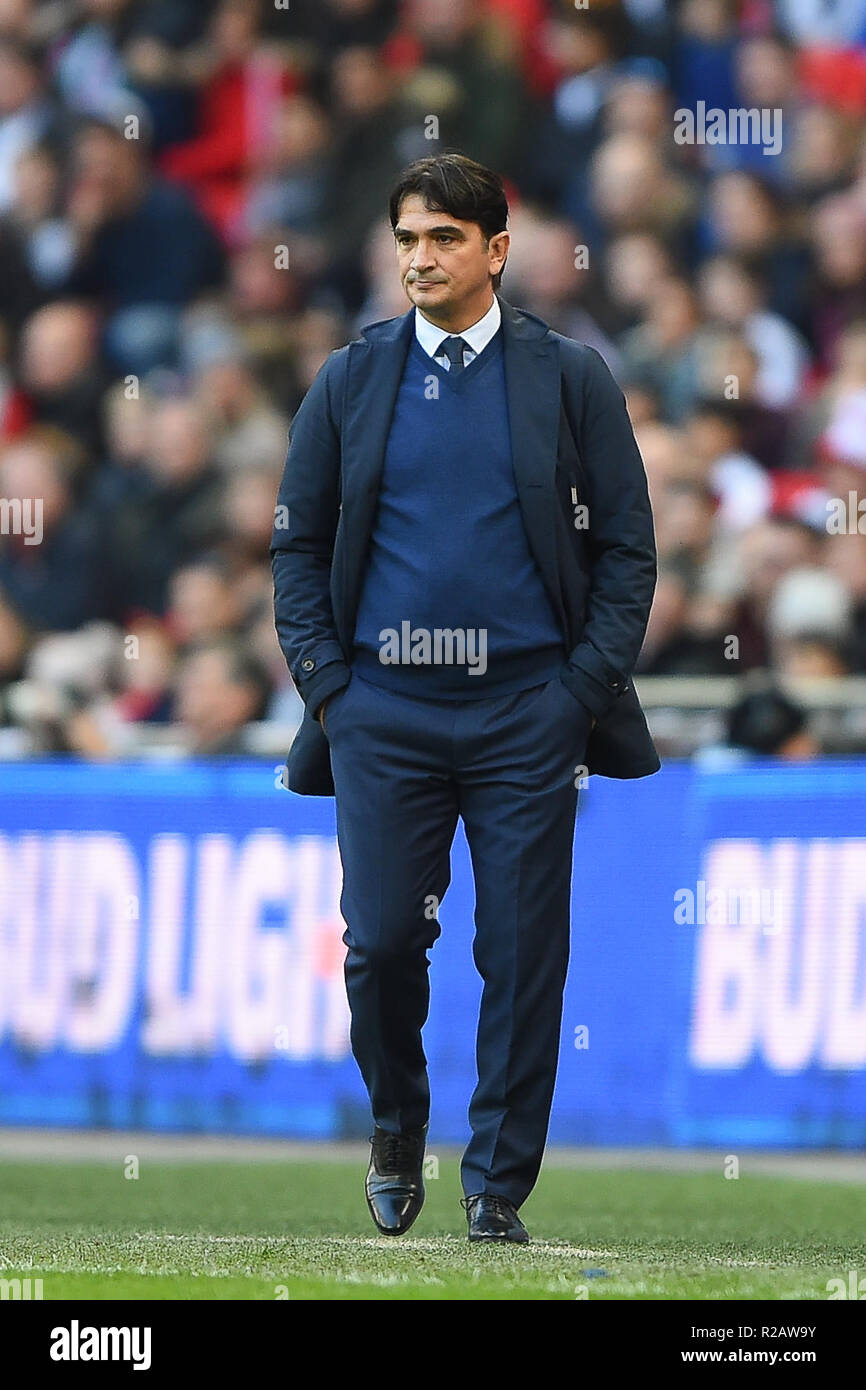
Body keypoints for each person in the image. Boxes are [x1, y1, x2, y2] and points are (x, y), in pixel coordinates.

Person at [270, 153, 659, 1244]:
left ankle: (495, 1183)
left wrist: (575, 690)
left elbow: (628, 549)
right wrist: (332, 690)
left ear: (497, 249)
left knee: (523, 951)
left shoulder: (569, 378)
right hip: (381, 710)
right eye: (406, 237)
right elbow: (294, 551)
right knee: (383, 942)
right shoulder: (349, 379)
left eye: (444, 237)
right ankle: (398, 1128)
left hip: (527, 710)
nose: (419, 256)